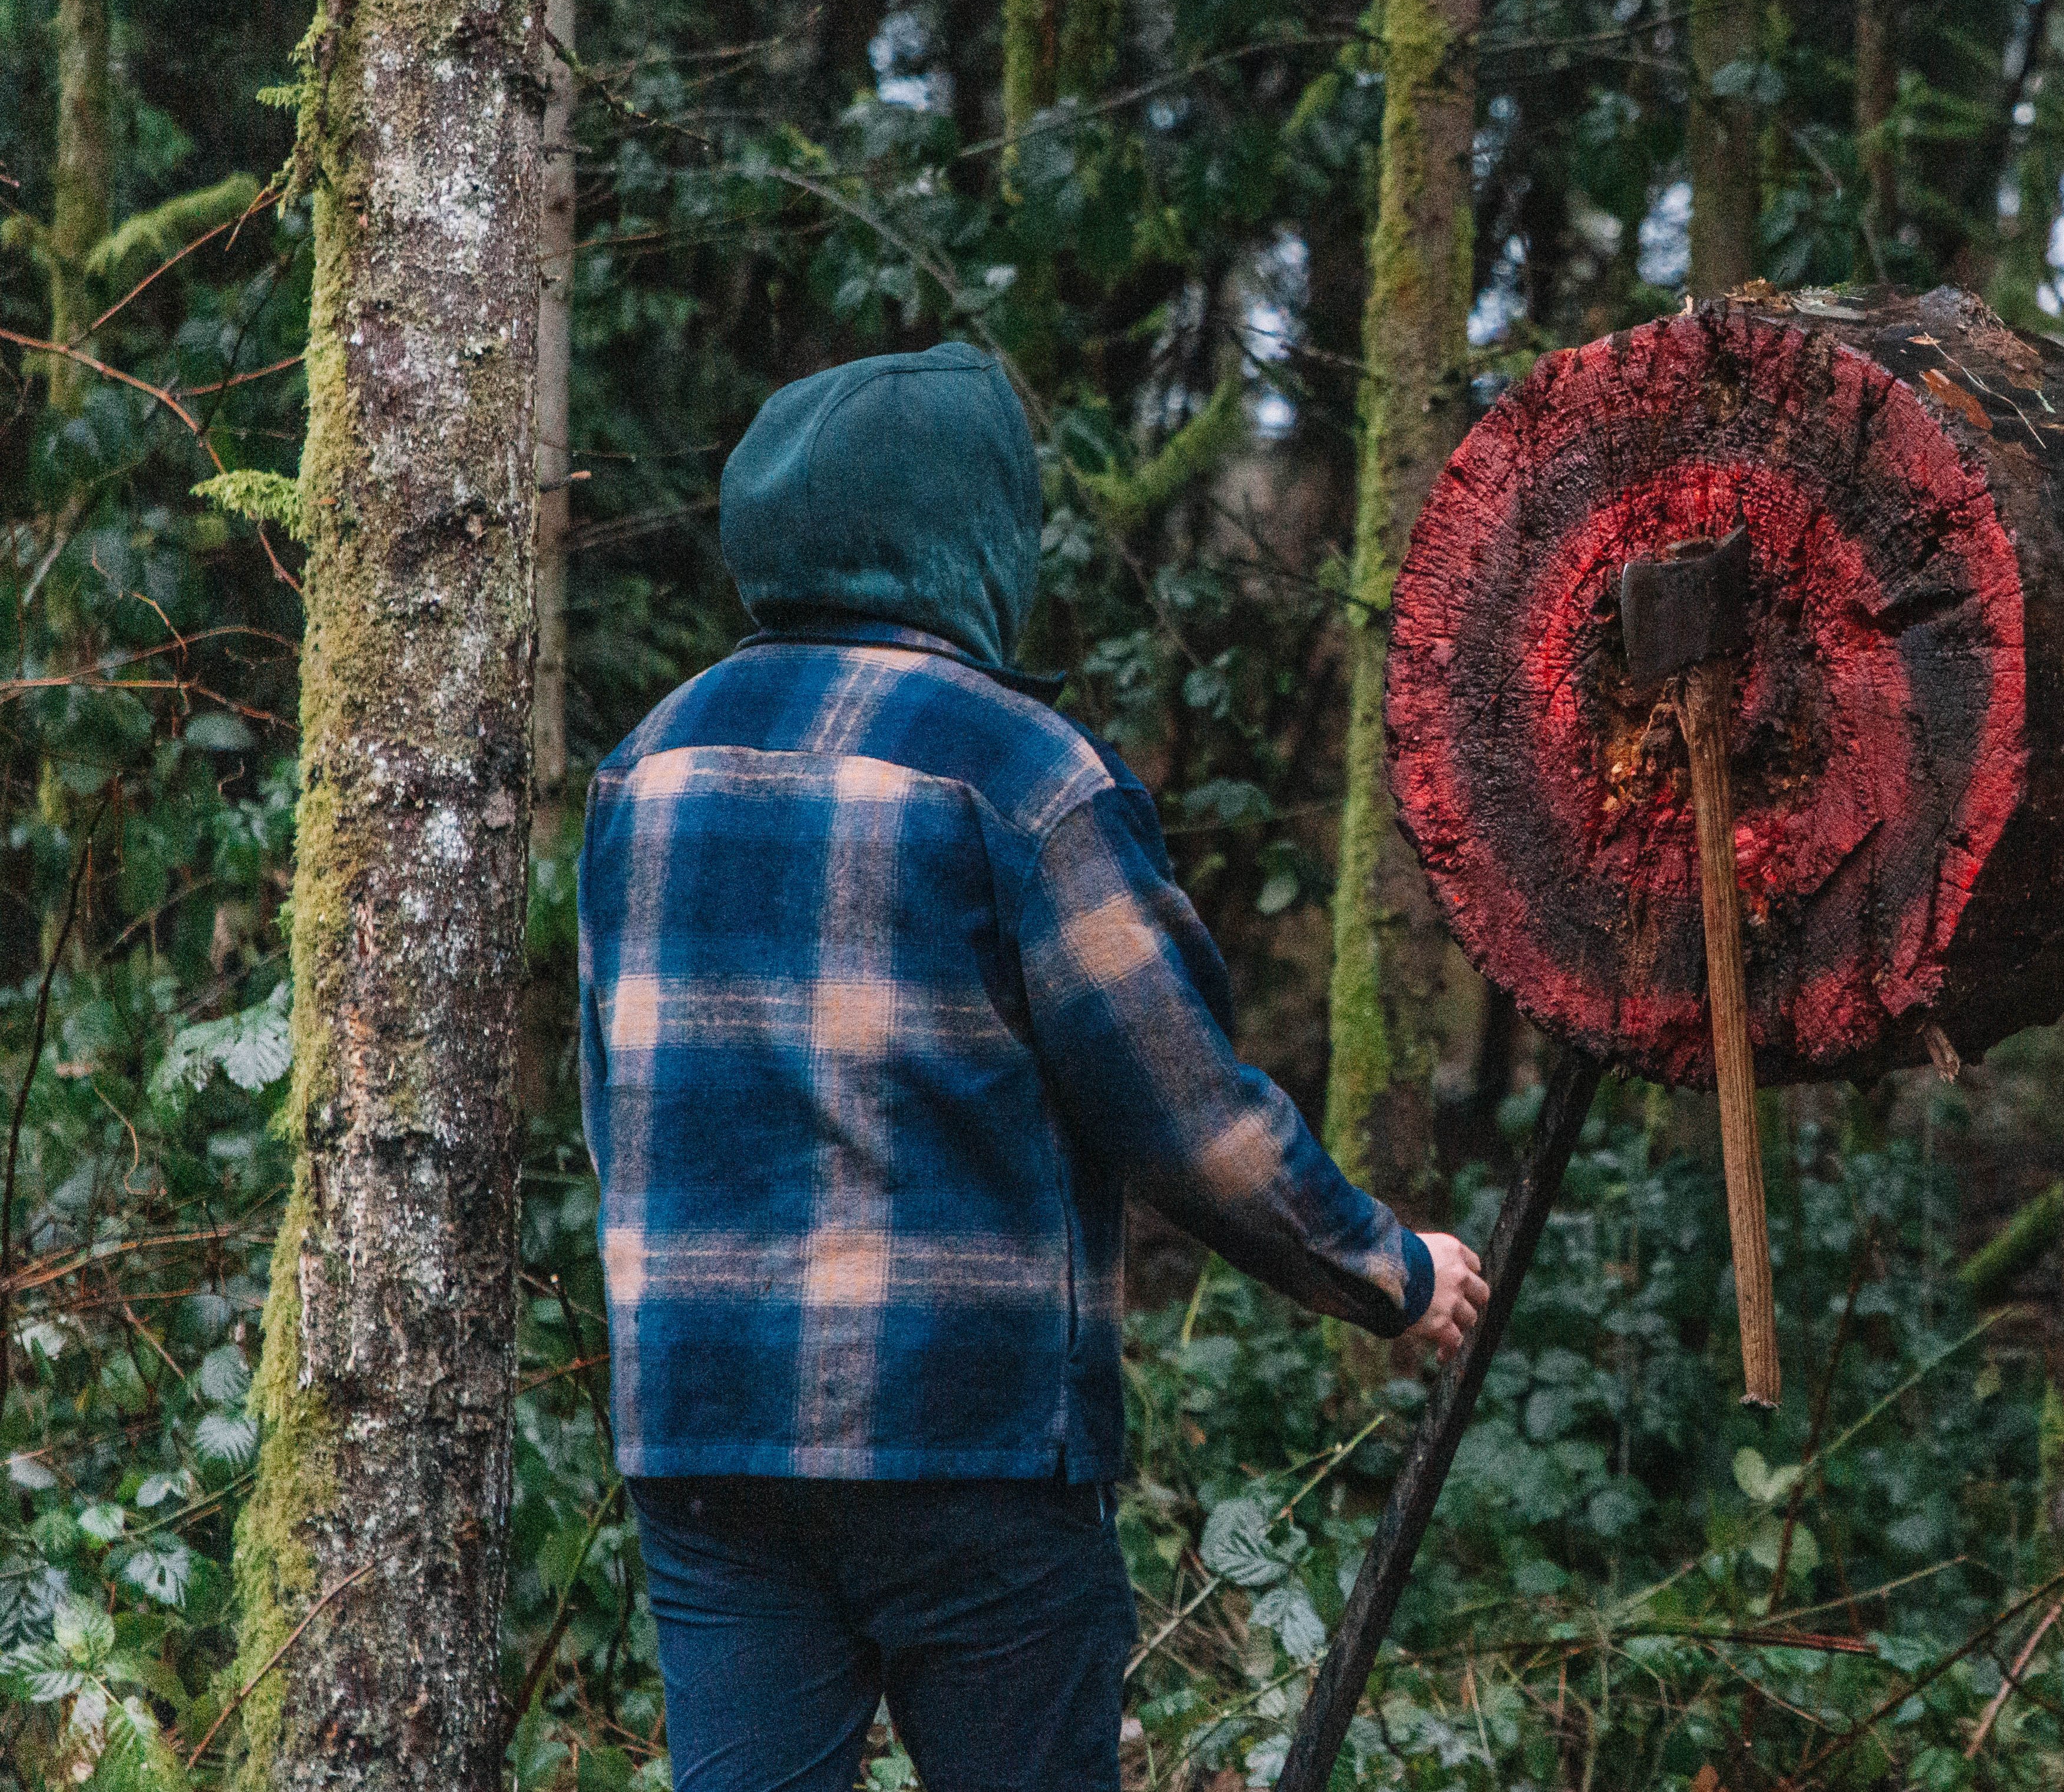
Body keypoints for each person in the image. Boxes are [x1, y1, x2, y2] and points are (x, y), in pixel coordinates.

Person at [575, 342, 1489, 1792]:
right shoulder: (1022, 777)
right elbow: (1186, 1117)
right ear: (972, 530)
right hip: (967, 1448)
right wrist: (1392, 1274)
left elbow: (614, 1104)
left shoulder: (648, 764)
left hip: (706, 1433)